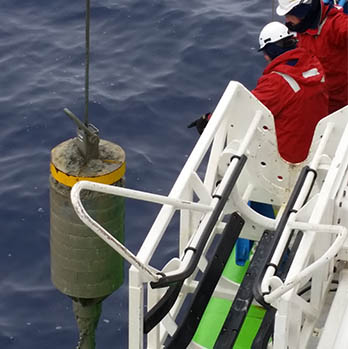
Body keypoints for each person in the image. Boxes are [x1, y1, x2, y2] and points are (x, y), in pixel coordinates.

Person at [252, 21, 328, 163]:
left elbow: (246, 110)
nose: (265, 57)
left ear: (271, 51)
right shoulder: (315, 64)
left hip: (290, 159)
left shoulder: (275, 82)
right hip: (320, 149)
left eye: (265, 52)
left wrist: (209, 119)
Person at [277, 0, 348, 114]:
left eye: (290, 15)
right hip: (315, 99)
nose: (287, 20)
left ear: (302, 10)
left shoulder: (336, 25)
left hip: (339, 103)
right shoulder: (303, 26)